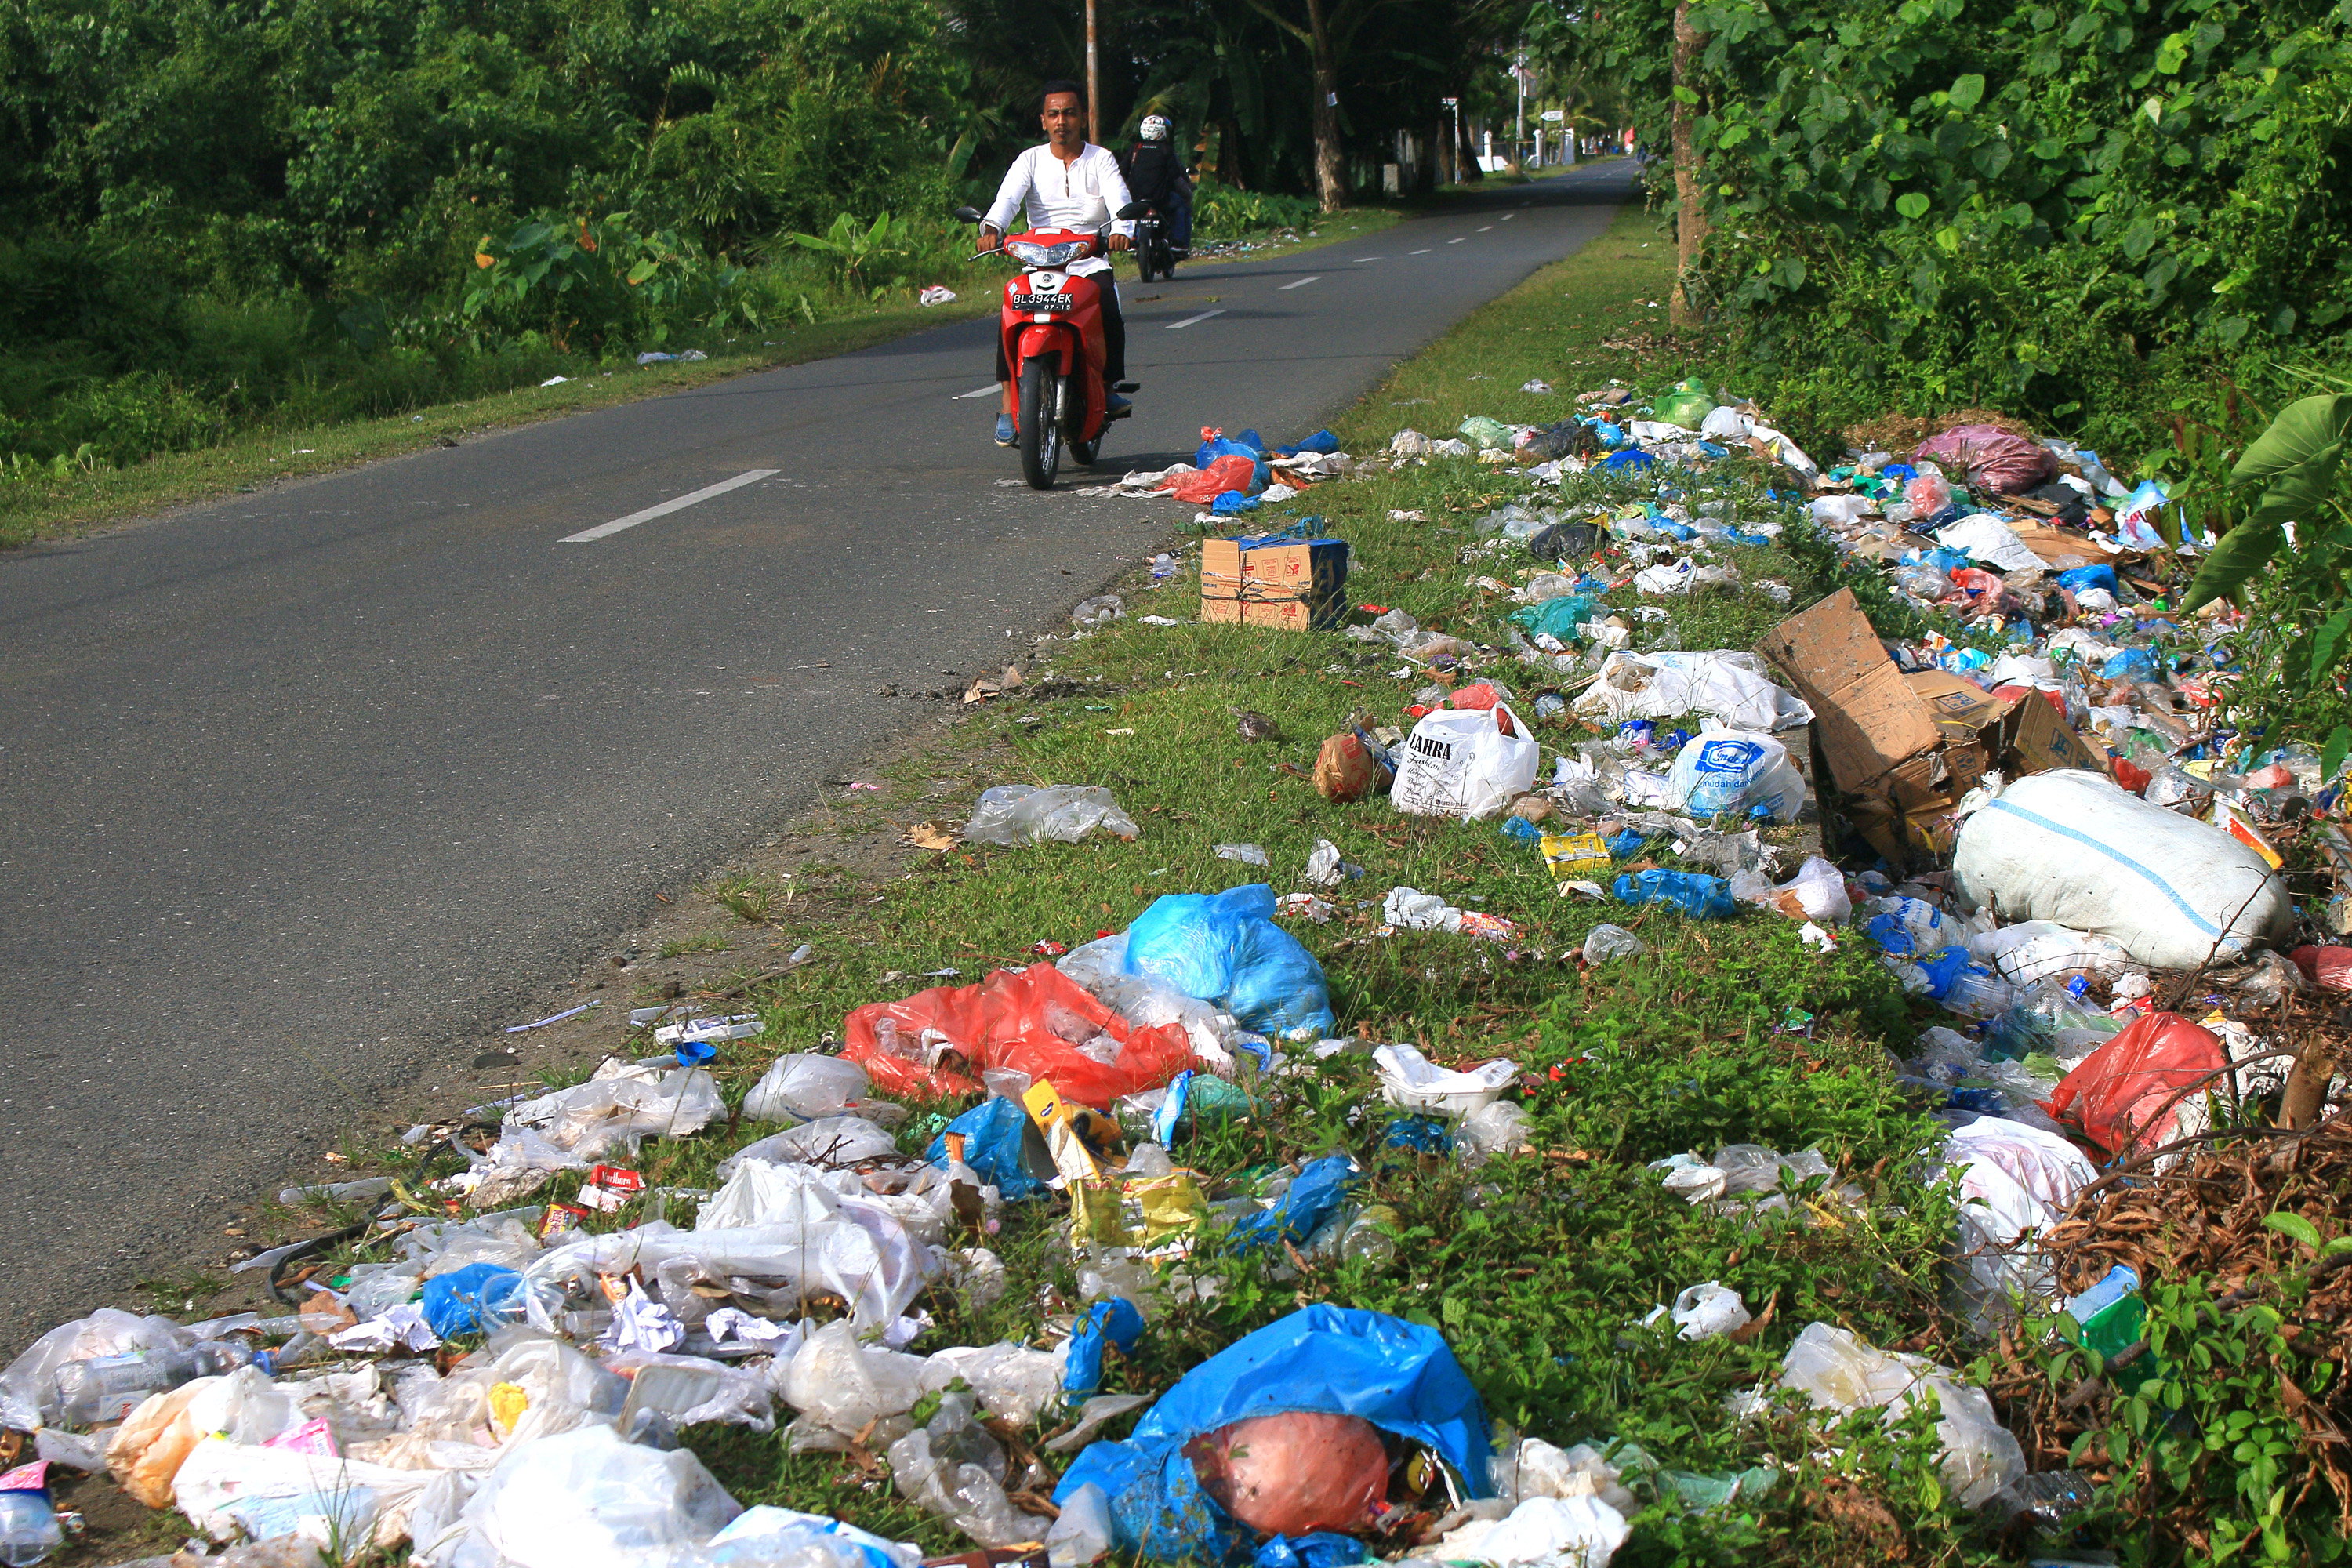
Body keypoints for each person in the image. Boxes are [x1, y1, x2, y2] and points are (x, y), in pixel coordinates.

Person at [979, 80, 1134, 448]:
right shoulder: (1029, 160)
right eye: (1054, 114)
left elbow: (1120, 201)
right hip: (1040, 265)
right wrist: (992, 227)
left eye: (1068, 113)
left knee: (1107, 306)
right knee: (1009, 312)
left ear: (1083, 117)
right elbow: (1007, 201)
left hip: (1088, 262)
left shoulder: (1101, 159)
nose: (1061, 121)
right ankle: (1007, 403)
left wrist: (1122, 231)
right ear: (1043, 121)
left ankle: (1107, 386)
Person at [1120, 114, 1192, 259]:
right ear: (1161, 132)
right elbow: (1174, 175)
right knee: (1182, 206)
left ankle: (1132, 236)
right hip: (1161, 199)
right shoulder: (1166, 150)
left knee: (1127, 210)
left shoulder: (1135, 149)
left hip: (1136, 198)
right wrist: (1187, 190)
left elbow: (1122, 172)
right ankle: (1179, 243)